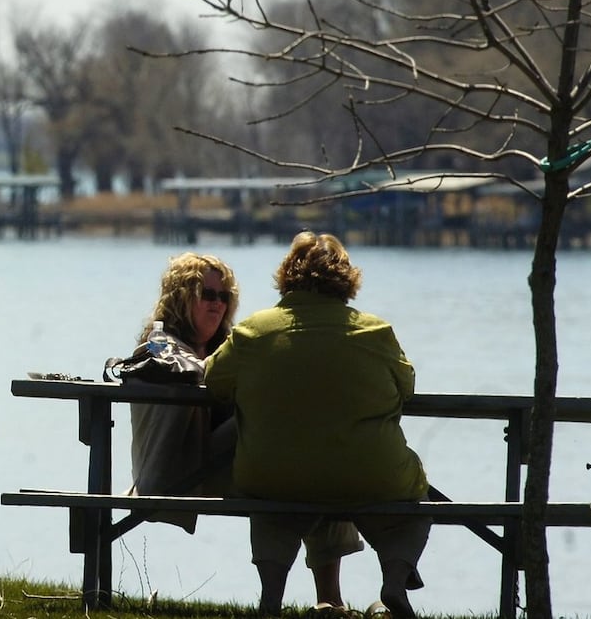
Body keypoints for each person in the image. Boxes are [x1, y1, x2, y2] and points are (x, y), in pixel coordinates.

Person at [204, 232, 431, 619]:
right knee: (415, 507)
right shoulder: (375, 332)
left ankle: (271, 595)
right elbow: (406, 386)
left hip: (273, 475)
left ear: (287, 276)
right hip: (369, 474)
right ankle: (394, 582)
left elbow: (214, 381)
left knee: (272, 505)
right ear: (346, 278)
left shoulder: (253, 333)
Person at [126, 251, 362, 609]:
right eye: (207, 295)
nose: (217, 304)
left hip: (217, 467)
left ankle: (328, 600)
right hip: (177, 476)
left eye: (224, 297)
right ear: (181, 296)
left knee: (316, 468)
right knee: (287, 449)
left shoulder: (228, 348)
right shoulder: (158, 348)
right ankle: (304, 598)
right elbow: (196, 374)